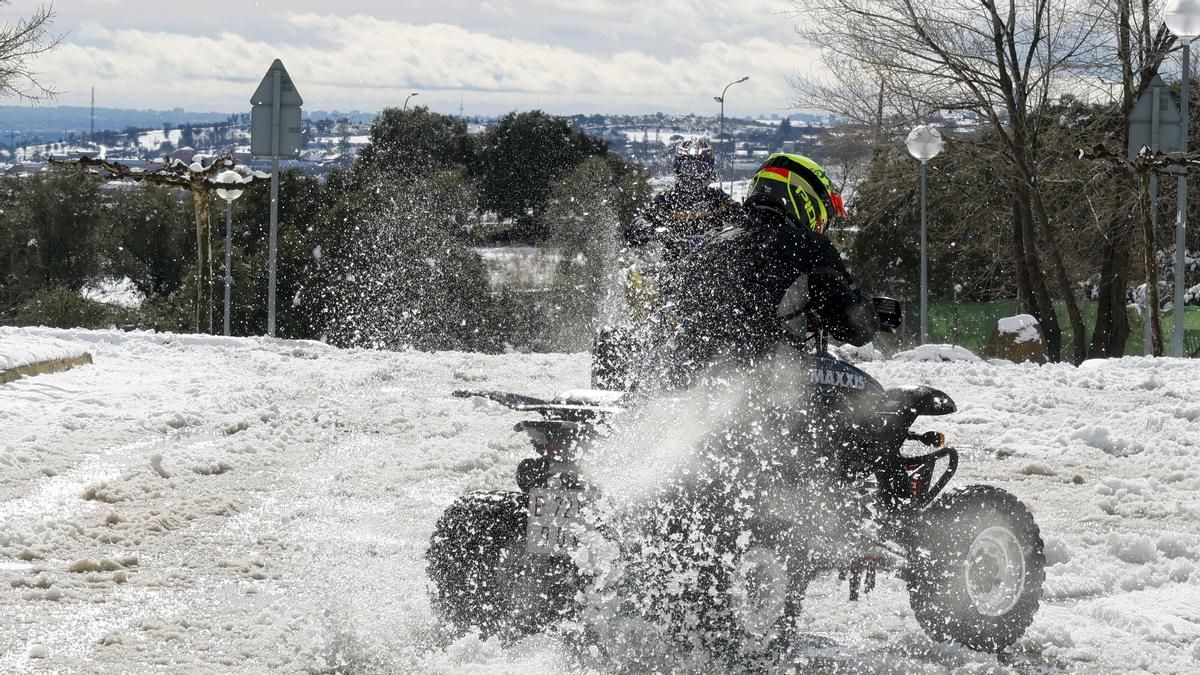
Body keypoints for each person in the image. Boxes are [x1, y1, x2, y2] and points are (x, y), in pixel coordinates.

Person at [666, 152, 878, 386]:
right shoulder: (808, 245)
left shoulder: (710, 243)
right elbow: (855, 328)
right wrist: (865, 306)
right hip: (766, 384)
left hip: (691, 382)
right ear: (806, 200)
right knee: (867, 393)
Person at [625, 138, 740, 256]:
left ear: (709, 171)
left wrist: (752, 210)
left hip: (712, 264)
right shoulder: (666, 200)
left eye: (700, 169)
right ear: (678, 168)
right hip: (673, 265)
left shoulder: (718, 199)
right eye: (688, 167)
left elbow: (741, 215)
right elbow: (637, 225)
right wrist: (648, 229)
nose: (693, 175)